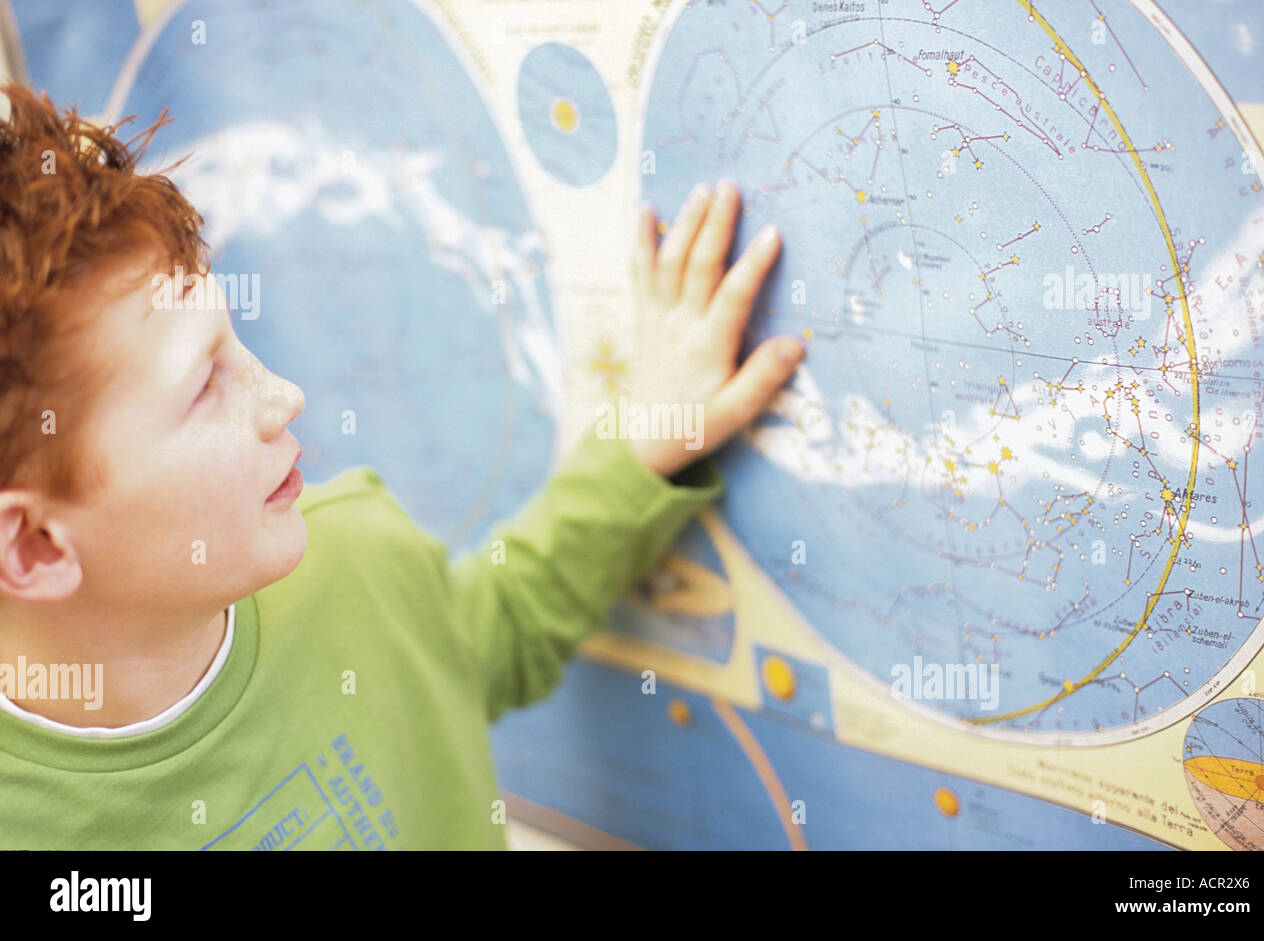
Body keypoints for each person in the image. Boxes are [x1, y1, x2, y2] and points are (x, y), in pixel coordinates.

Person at [0, 82, 804, 849]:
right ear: (35, 544)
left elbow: (482, 636)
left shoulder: (355, 554)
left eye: (232, 341)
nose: (283, 396)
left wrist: (646, 435)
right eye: (204, 385)